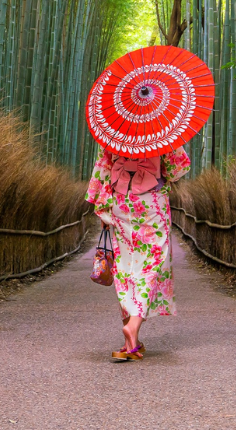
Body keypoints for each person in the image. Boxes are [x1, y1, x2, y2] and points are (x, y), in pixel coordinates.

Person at [85, 145, 192, 362]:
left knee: (124, 265)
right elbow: (177, 168)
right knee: (153, 262)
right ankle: (133, 325)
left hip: (121, 201)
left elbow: (102, 168)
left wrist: (101, 204)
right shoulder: (160, 127)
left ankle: (130, 344)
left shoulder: (114, 129)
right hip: (152, 201)